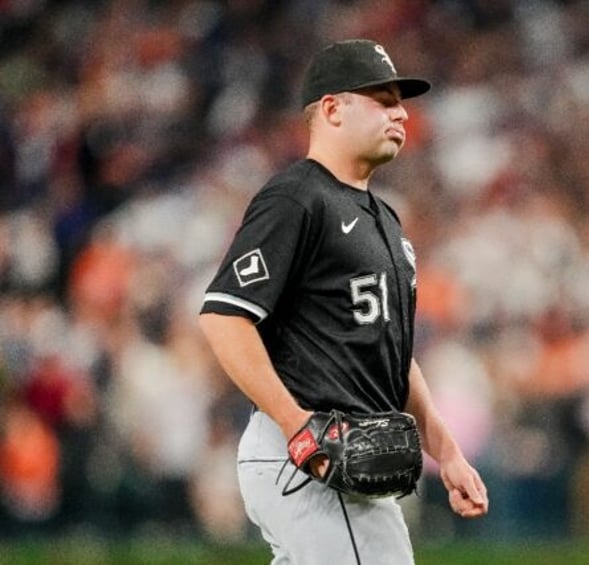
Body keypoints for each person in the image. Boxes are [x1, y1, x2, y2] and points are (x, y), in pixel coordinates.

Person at [198, 39, 488, 564]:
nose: (399, 112)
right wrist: (296, 426)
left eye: (400, 101)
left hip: (351, 459)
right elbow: (225, 317)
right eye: (381, 98)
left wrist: (446, 452)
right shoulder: (296, 198)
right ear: (332, 108)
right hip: (308, 460)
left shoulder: (387, 221)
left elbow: (393, 356)